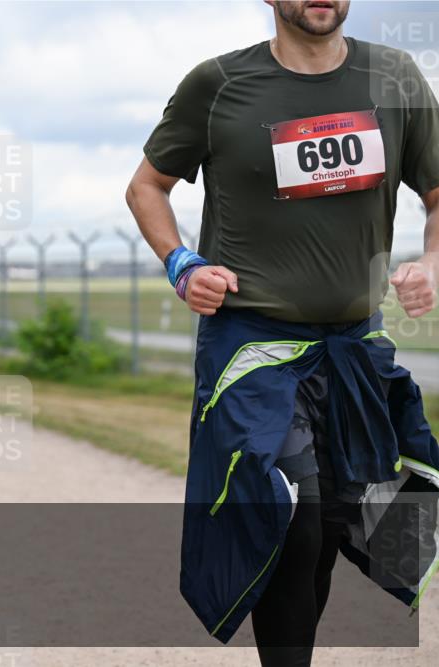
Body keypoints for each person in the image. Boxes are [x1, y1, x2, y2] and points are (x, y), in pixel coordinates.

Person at [126, 1, 439, 665]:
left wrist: (432, 260)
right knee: (288, 515)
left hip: (354, 348)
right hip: (251, 347)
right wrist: (183, 263)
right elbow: (146, 188)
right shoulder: (218, 85)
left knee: (329, 522)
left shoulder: (397, 79)